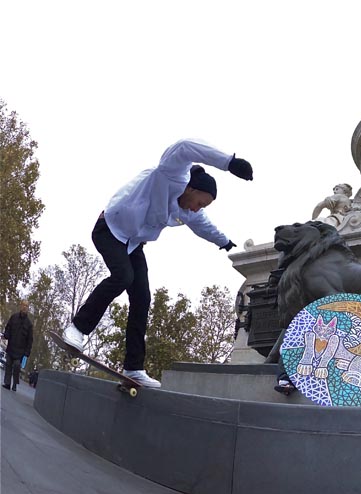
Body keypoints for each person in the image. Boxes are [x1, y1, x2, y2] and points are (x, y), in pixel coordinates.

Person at [61, 139, 254, 388]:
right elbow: (186, 146)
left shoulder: (188, 211)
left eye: (202, 207)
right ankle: (77, 328)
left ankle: (133, 367)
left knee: (142, 297)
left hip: (133, 244)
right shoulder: (171, 173)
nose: (198, 209)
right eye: (200, 203)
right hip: (109, 228)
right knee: (123, 276)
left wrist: (225, 241)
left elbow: (204, 227)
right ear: (191, 189)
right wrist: (228, 162)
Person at [2, 300, 34, 392]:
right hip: (11, 346)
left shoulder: (29, 324)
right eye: (23, 305)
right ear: (21, 306)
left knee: (16, 366)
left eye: (26, 306)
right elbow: (8, 327)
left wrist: (27, 353)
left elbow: (30, 340)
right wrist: (6, 335)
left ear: (28, 308)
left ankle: (15, 384)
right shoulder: (14, 317)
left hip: (20, 351)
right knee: (8, 365)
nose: (24, 307)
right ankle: (7, 383)